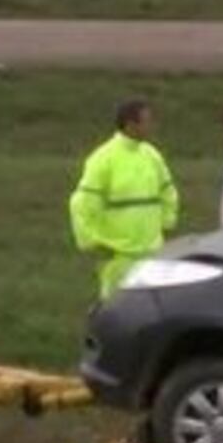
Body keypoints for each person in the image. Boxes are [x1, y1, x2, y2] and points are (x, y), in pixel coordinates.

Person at [68, 99, 179, 300]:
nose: (151, 126)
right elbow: (82, 204)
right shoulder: (103, 158)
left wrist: (166, 223)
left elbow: (168, 192)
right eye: (147, 121)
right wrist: (92, 242)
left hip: (152, 252)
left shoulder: (152, 155)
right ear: (130, 124)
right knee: (117, 311)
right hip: (119, 256)